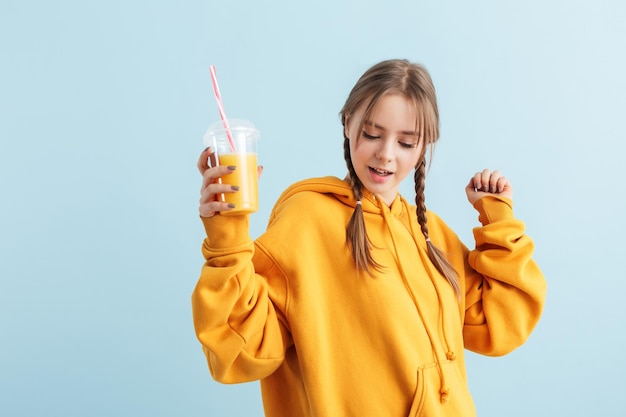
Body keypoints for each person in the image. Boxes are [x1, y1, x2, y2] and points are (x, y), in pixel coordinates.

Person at [192, 58, 546, 416]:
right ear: (348, 123)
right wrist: (227, 236)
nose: (386, 154)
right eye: (373, 134)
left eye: (407, 143)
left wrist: (498, 218)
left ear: (425, 146)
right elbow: (240, 350)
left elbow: (501, 325)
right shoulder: (307, 219)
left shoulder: (431, 233)